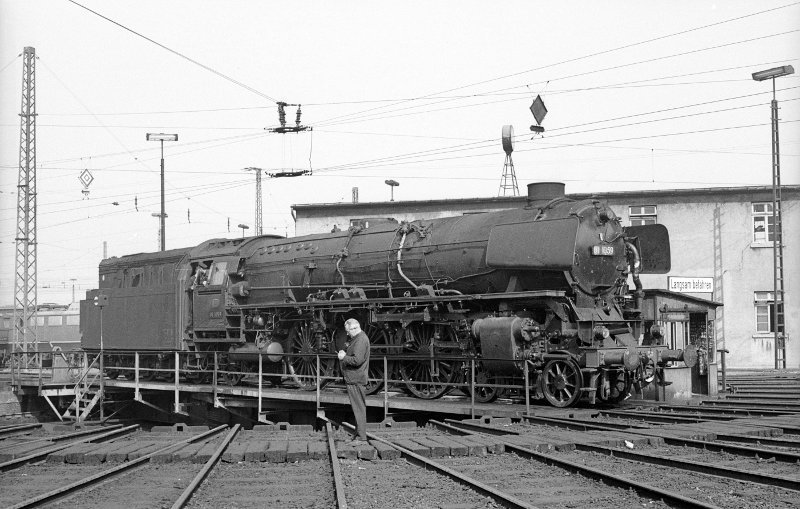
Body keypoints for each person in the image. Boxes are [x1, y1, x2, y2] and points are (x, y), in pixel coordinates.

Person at [338, 318, 370, 442]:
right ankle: (358, 434)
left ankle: (362, 437)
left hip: (356, 378)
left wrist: (343, 357)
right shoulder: (358, 338)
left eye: (348, 331)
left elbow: (357, 360)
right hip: (354, 378)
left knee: (359, 408)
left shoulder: (361, 340)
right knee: (357, 408)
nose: (347, 334)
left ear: (354, 328)